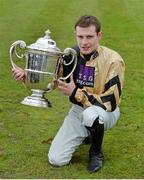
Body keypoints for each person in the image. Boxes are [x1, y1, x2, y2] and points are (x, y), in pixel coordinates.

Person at [12, 15, 125, 173]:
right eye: (80, 36)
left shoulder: (114, 60)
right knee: (56, 159)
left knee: (91, 115)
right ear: (75, 35)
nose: (84, 42)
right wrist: (28, 76)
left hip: (106, 112)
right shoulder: (70, 56)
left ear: (99, 35)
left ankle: (96, 152)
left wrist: (75, 92)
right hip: (78, 110)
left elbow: (110, 102)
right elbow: (53, 79)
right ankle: (87, 133)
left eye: (89, 36)